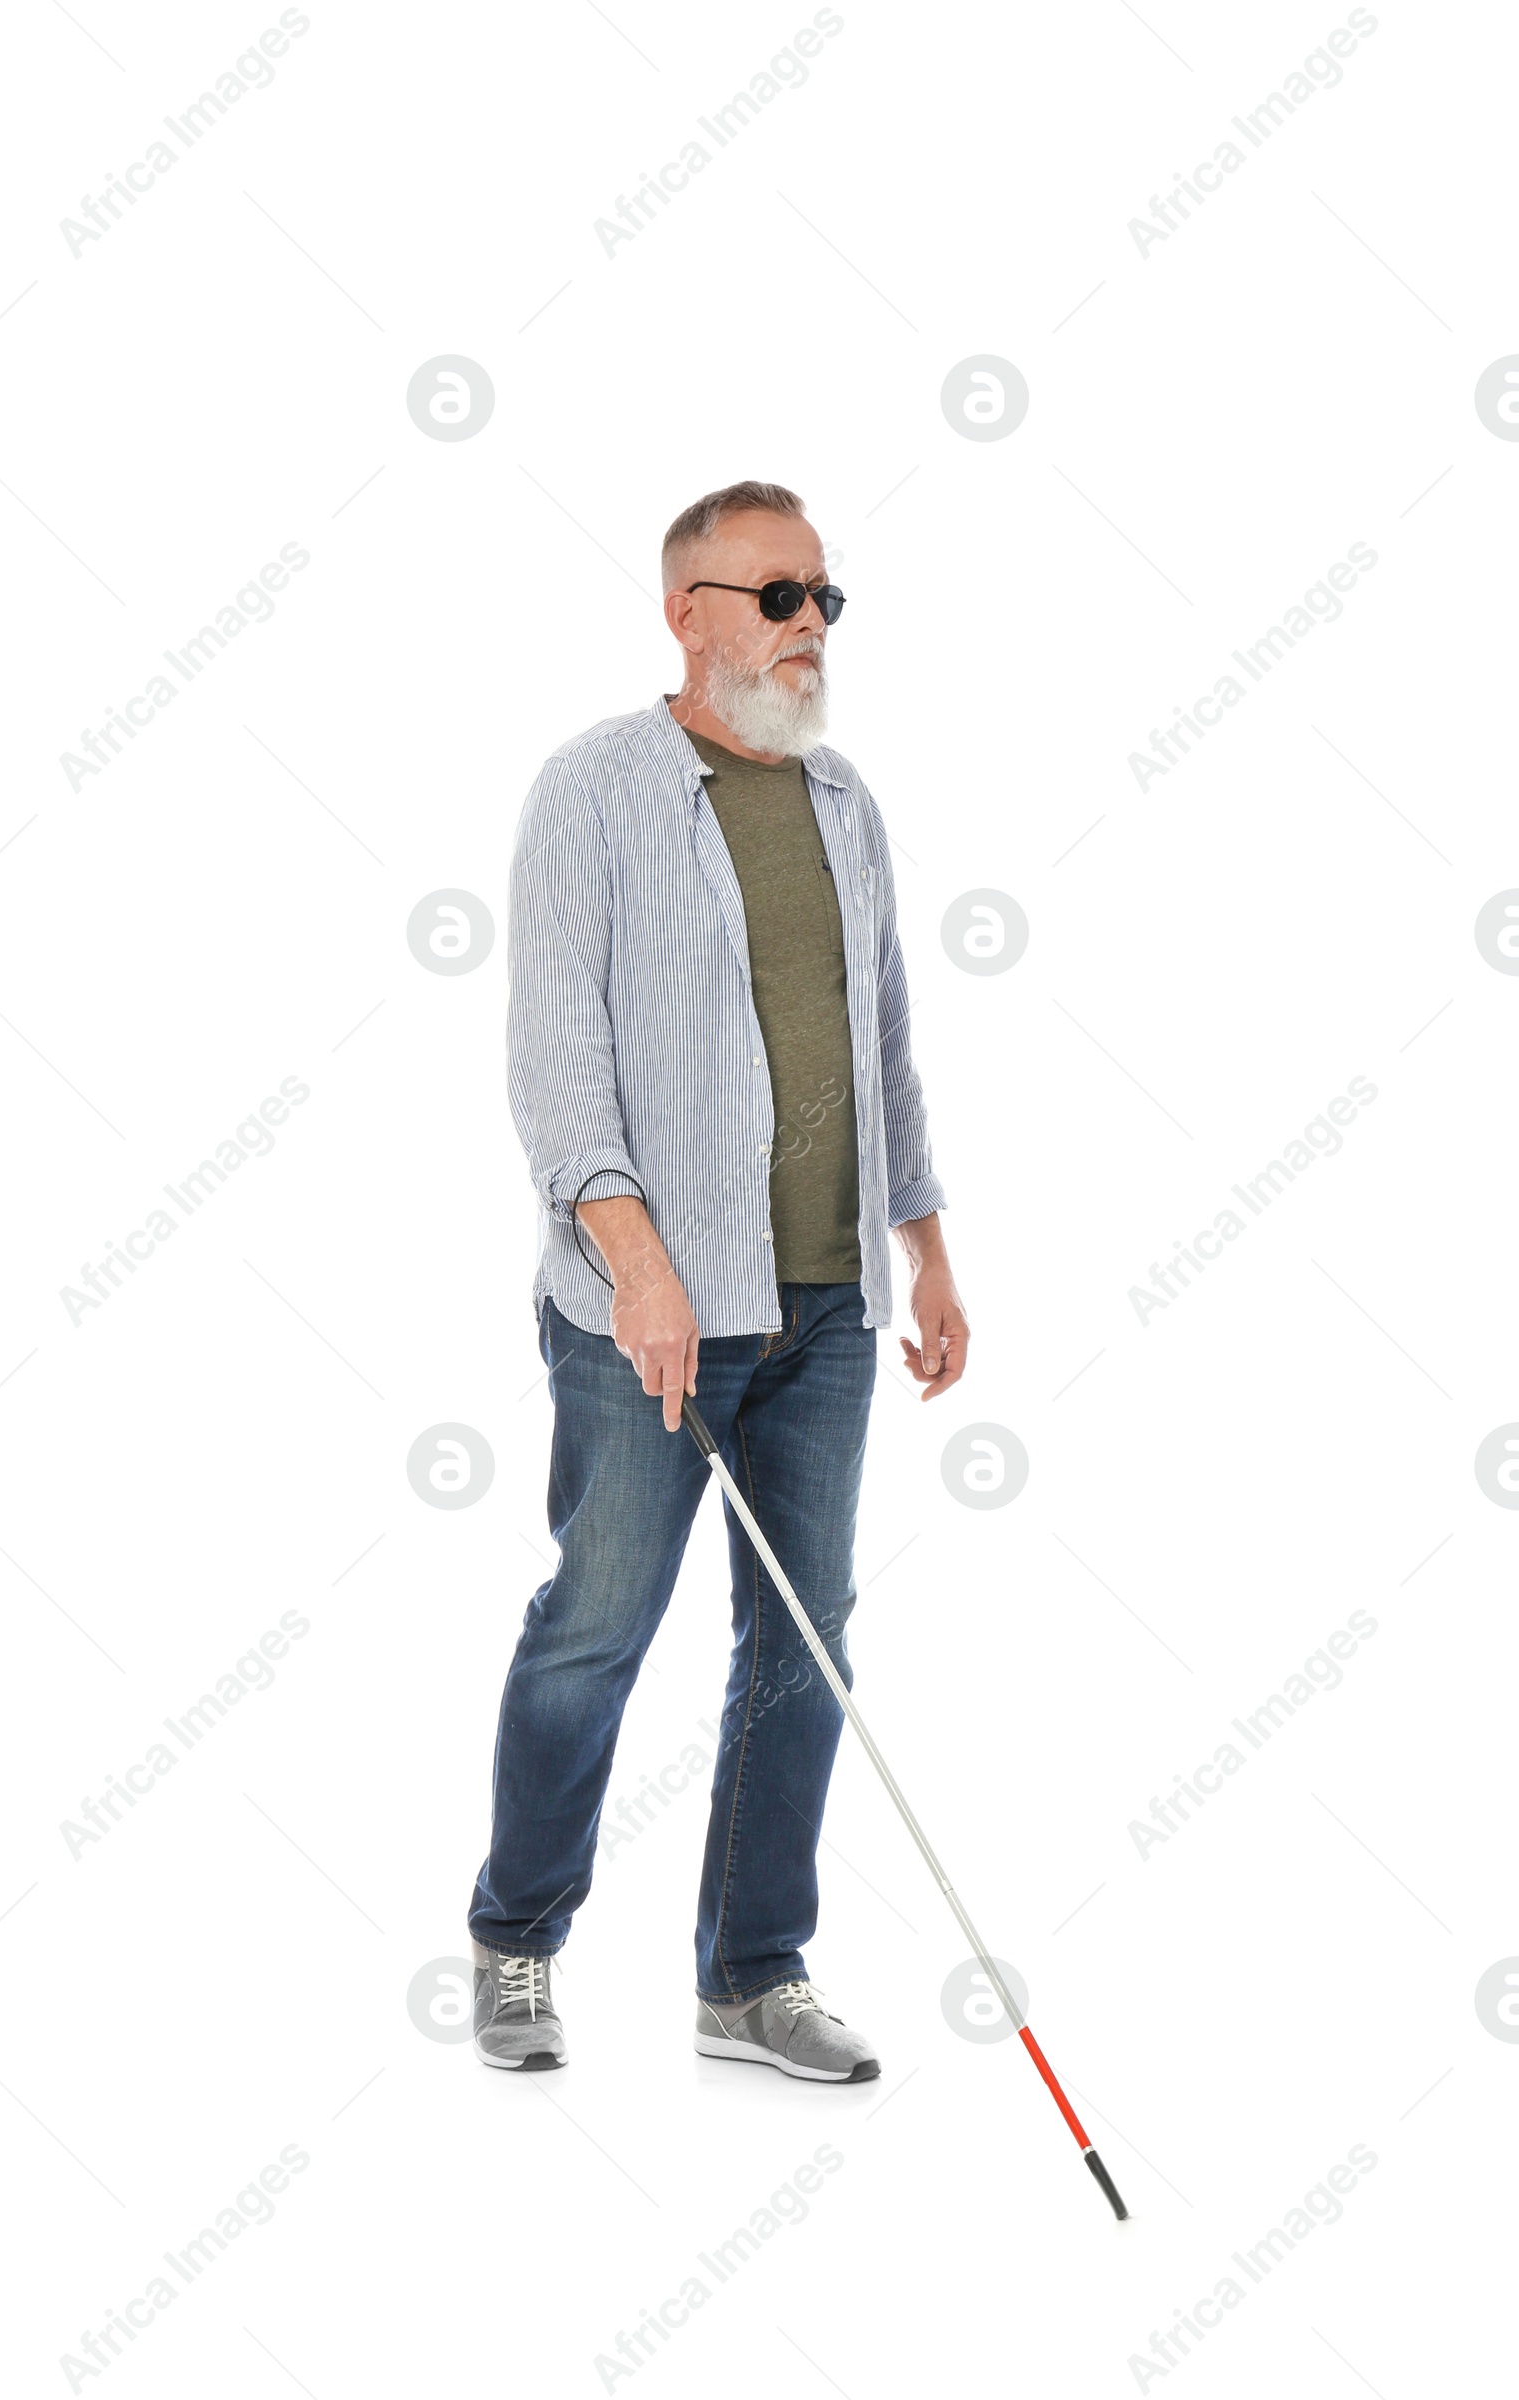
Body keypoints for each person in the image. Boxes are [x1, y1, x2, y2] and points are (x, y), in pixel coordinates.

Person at [467, 479, 969, 2079]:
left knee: (805, 1640)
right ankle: (515, 1941)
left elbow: (881, 1041)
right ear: (688, 613)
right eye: (776, 597)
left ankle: (752, 1975)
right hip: (647, 1316)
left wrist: (927, 1249)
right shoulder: (593, 791)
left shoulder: (845, 804)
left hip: (824, 1307)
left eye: (824, 595)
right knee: (596, 1624)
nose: (810, 623)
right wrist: (641, 1269)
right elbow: (556, 1070)